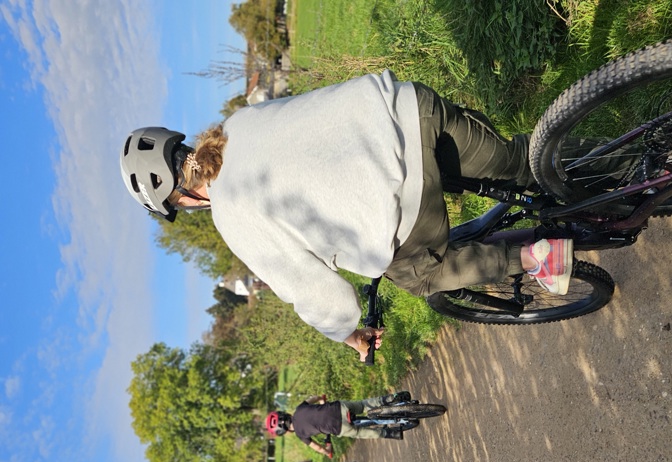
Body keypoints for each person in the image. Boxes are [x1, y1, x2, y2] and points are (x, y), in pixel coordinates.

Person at [120, 72, 572, 361]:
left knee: (423, 277)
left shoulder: (232, 217)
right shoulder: (235, 124)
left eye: (178, 207)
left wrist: (349, 334)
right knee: (521, 164)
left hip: (402, 198)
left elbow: (316, 294)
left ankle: (538, 259)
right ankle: (633, 166)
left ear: (179, 196)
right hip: (411, 107)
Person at [265, 391, 412, 457]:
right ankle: (391, 398)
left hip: (338, 427)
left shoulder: (301, 434)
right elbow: (314, 398)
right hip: (338, 408)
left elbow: (317, 447)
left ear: (284, 431)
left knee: (360, 433)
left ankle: (391, 432)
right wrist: (322, 399)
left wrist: (327, 451)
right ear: (284, 414)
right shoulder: (299, 409)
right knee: (363, 405)